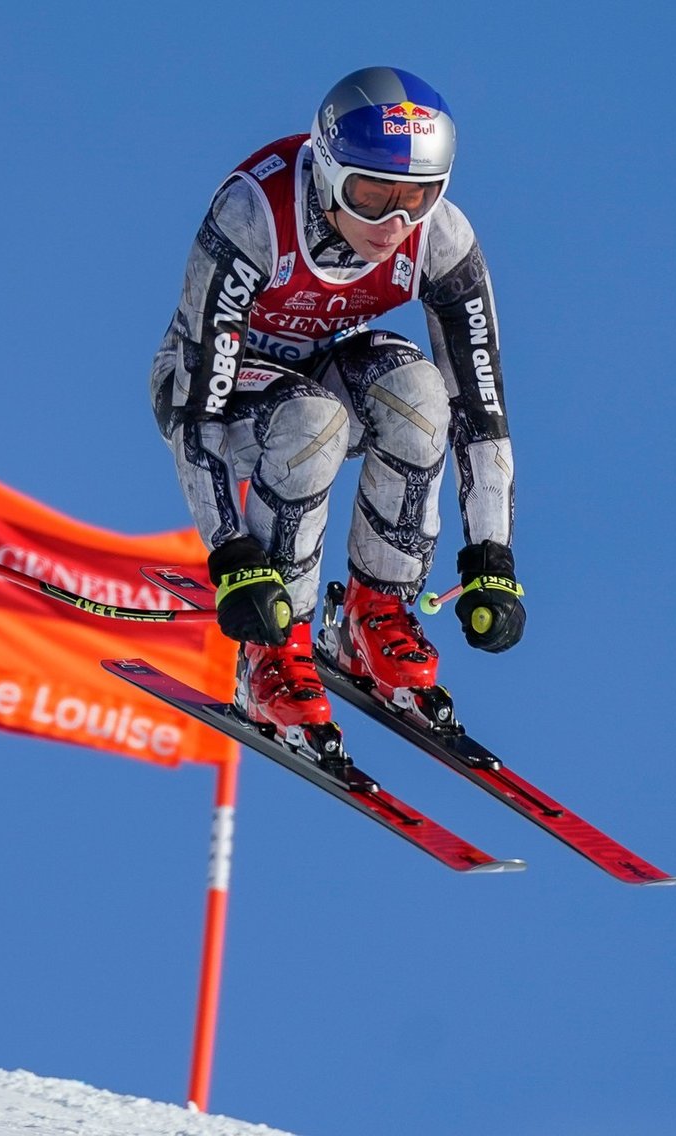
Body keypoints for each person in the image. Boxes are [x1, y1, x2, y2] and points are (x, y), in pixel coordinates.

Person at [151, 66, 525, 758]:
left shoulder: (440, 238)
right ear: (326, 172)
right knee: (311, 421)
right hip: (216, 387)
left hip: (320, 369)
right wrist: (232, 552)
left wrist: (490, 553)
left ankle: (372, 614)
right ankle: (273, 654)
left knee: (418, 396)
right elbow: (197, 404)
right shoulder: (256, 213)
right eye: (370, 193)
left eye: (417, 197)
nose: (393, 222)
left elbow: (479, 402)